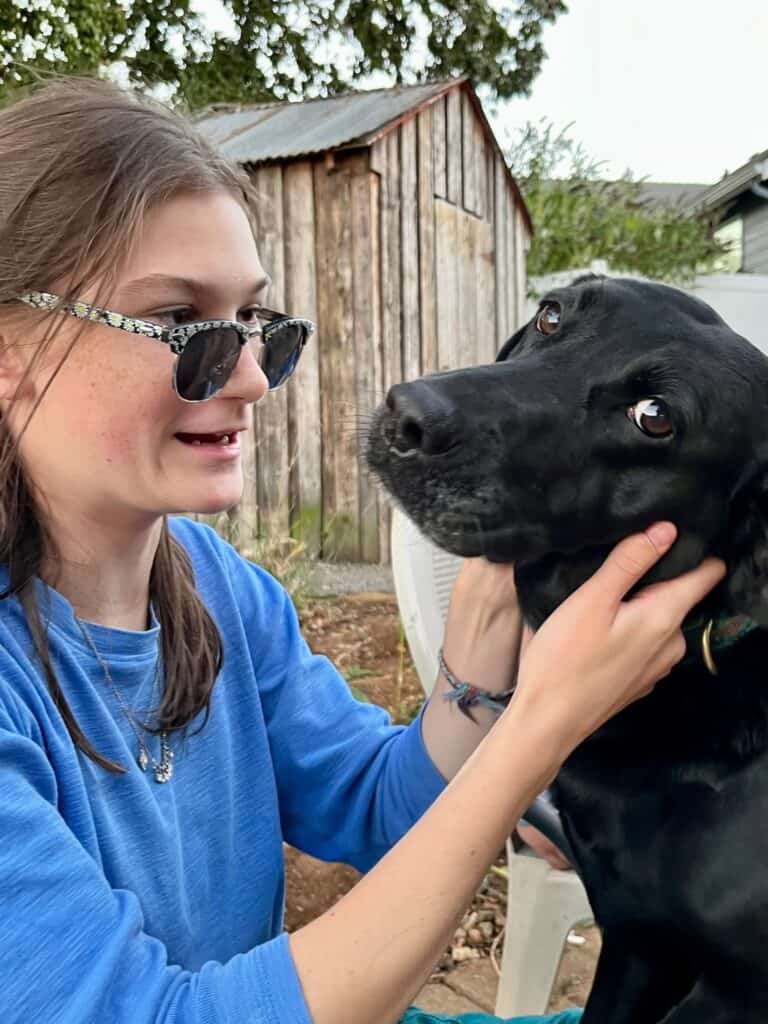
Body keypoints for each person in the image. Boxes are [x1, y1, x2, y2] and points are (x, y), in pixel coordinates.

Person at [0, 76, 724, 1024]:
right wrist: (538, 727)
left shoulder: (220, 594)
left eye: (256, 325)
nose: (253, 378)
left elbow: (375, 806)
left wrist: (479, 659)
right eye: (181, 325)